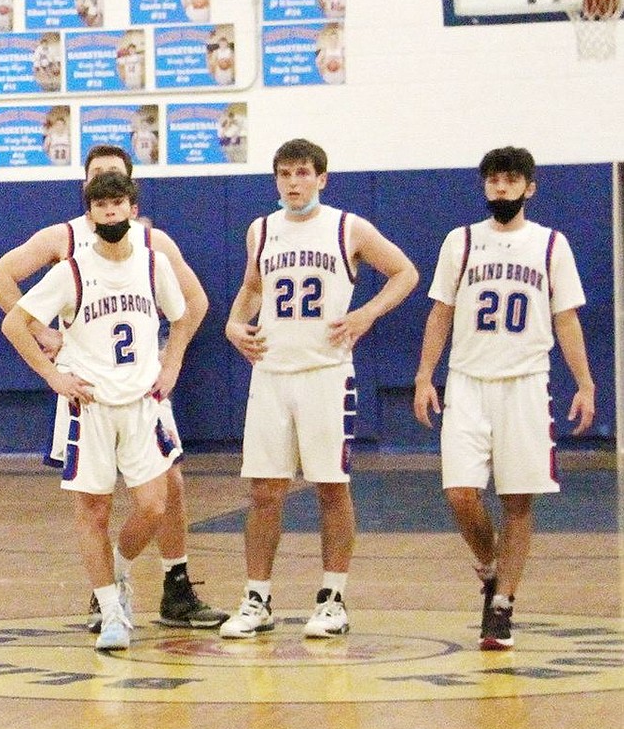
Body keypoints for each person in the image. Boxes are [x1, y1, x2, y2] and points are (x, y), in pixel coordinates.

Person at [0, 143, 228, 630]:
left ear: (131, 192)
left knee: (167, 487)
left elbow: (193, 305)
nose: (107, 188)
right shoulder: (63, 240)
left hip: (141, 386)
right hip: (88, 389)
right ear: (86, 190)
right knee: (94, 502)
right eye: (98, 179)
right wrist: (46, 335)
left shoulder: (154, 245)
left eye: (116, 180)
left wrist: (171, 360)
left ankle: (174, 586)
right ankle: (107, 599)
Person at [222, 138, 419, 640]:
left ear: (321, 178)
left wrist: (367, 313)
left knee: (332, 486)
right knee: (264, 491)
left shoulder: (347, 226)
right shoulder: (261, 230)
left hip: (327, 375)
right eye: (284, 173)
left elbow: (405, 272)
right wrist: (232, 323)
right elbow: (252, 287)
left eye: (303, 172)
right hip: (270, 373)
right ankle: (257, 598)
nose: (293, 181)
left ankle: (332, 599)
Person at [413, 146, 595, 650]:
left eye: (511, 180)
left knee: (517, 502)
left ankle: (501, 607)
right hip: (468, 382)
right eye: (493, 180)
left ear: (529, 188)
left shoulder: (552, 245)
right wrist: (425, 376)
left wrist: (585, 383)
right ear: (484, 187)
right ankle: (491, 569)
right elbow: (440, 313)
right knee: (460, 494)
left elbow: (566, 318)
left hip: (526, 384)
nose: (501, 188)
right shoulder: (461, 241)